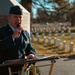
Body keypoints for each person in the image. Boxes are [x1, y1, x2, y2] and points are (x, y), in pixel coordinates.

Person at [0, 5, 36, 75]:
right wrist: (13, 37)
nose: (18, 19)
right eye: (15, 17)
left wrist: (31, 54)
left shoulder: (25, 33)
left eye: (20, 17)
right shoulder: (1, 31)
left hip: (22, 70)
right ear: (9, 18)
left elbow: (30, 48)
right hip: (5, 71)